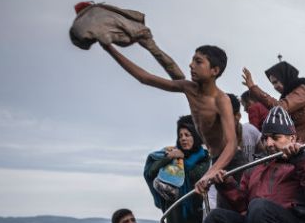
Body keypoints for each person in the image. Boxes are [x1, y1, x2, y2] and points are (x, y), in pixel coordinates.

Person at [99, 42, 240, 196]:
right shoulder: (188, 88)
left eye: (198, 62)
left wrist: (210, 173)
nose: (191, 65)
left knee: (238, 208)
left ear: (215, 70)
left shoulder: (221, 100)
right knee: (216, 213)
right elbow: (144, 78)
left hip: (230, 161)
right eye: (192, 60)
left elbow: (232, 144)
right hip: (214, 160)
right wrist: (109, 48)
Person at [143, 115, 210, 223]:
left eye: (187, 134)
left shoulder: (204, 157)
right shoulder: (170, 154)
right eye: (180, 135)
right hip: (177, 214)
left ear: (195, 136)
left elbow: (197, 174)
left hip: (198, 212)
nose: (183, 138)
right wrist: (169, 158)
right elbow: (150, 172)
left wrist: (182, 161)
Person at [242, 61, 305, 164]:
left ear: (285, 77)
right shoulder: (293, 94)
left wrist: (253, 88)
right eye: (272, 83)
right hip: (301, 147)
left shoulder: (302, 90)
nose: (275, 86)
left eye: (276, 82)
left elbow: (279, 107)